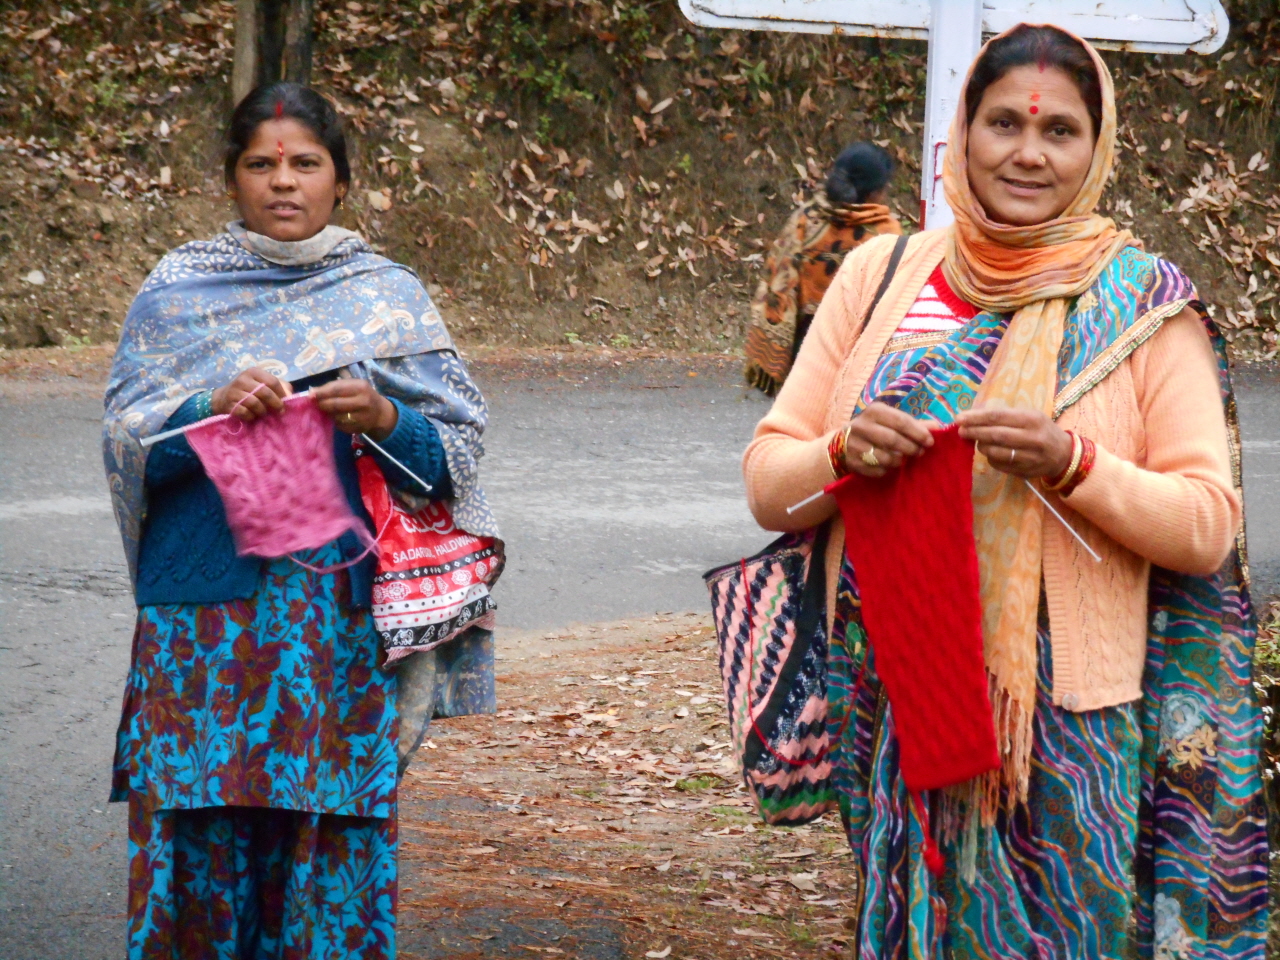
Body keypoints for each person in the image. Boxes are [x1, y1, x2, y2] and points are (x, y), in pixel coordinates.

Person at [743, 24, 1268, 959]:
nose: (1027, 153)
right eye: (1003, 125)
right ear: (963, 133)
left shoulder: (1145, 306)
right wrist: (841, 452)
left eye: (1060, 131)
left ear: (1096, 150)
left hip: (1069, 726)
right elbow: (768, 481)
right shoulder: (883, 276)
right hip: (896, 692)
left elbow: (1206, 525)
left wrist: (1075, 461)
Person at [102, 82, 500, 957]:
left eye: (305, 163)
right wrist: (207, 403)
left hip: (335, 630)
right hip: (200, 632)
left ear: (341, 182)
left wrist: (387, 420)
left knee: (333, 845)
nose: (283, 182)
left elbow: (457, 457)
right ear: (233, 179)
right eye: (261, 164)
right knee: (194, 851)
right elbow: (128, 442)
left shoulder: (387, 297)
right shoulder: (177, 292)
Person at [745, 141, 902, 395]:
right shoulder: (886, 234)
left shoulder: (805, 219)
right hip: (860, 356)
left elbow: (780, 281)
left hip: (806, 352)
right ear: (874, 192)